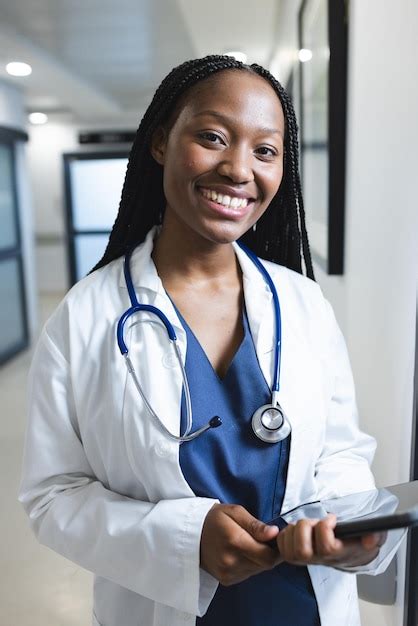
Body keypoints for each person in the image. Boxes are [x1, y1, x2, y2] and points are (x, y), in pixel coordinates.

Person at [19, 55, 385, 626]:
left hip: (304, 607)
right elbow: (53, 495)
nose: (239, 169)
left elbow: (338, 454)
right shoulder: (86, 315)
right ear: (161, 143)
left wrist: (349, 523)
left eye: (265, 150)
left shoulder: (303, 304)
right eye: (213, 137)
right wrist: (183, 540)